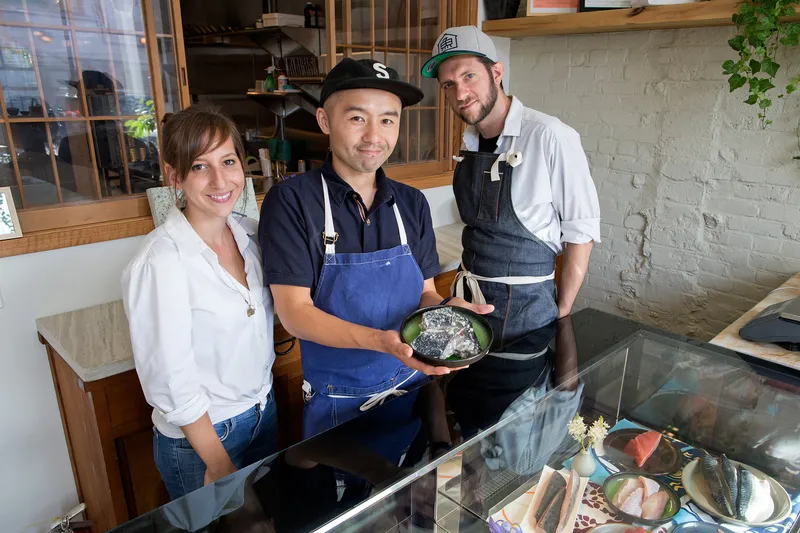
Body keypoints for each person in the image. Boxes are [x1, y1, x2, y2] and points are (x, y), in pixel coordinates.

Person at [259, 58, 491, 458]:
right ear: (324, 120)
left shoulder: (411, 203)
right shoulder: (292, 201)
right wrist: (383, 342)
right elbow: (295, 313)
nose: (374, 136)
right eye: (356, 118)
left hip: (411, 389)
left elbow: (423, 294)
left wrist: (448, 313)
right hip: (339, 403)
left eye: (388, 120)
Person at [121, 106, 278, 500]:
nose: (221, 180)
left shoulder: (251, 234)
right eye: (200, 167)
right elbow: (170, 381)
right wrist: (218, 460)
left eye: (228, 161)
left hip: (264, 412)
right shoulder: (161, 260)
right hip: (205, 440)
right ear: (174, 176)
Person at [422, 26, 601, 346]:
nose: (460, 93)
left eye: (469, 76)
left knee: (522, 394)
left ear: (496, 72)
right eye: (448, 84)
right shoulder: (469, 142)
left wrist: (561, 310)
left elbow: (581, 233)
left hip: (526, 308)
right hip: (466, 300)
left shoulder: (550, 136)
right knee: (465, 391)